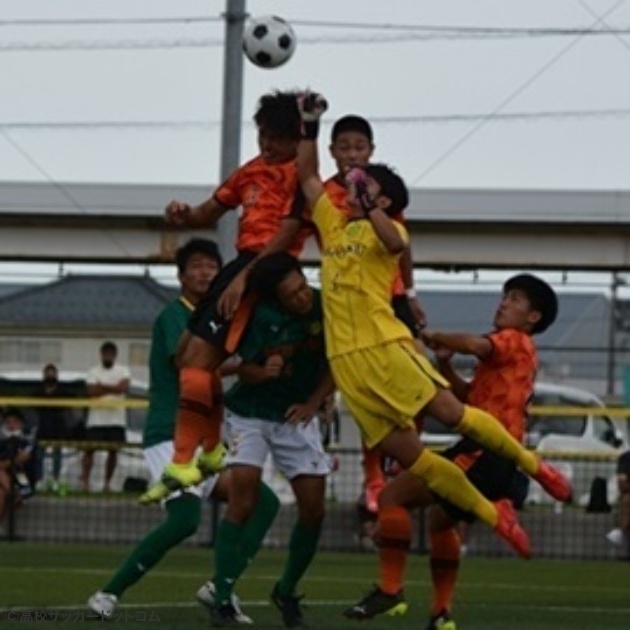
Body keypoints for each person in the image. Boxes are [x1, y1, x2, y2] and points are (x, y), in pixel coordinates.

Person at [295, 91, 570, 583]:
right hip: (349, 365)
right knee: (416, 464)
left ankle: (536, 467)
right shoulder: (335, 227)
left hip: (383, 347)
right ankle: (494, 518)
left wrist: (370, 203)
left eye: (369, 181)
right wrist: (310, 125)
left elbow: (395, 242)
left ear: (382, 199)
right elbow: (310, 179)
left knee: (448, 413)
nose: (356, 181)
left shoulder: (388, 231)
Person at [348, 273, 558, 628]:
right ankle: (441, 614)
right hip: (495, 454)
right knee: (440, 521)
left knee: (392, 499)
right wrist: (443, 362)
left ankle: (390, 588)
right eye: (505, 295)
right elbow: (466, 399)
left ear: (532, 317)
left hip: (483, 451)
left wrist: (436, 337)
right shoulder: (511, 358)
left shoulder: (514, 340)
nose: (504, 302)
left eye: (516, 299)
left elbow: (477, 346)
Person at [88, 239, 280, 624]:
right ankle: (107, 593)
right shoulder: (177, 315)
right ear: (180, 275)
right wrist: (245, 366)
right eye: (196, 266)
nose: (205, 272)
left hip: (206, 437)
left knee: (264, 502)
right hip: (170, 433)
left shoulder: (218, 316)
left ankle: (220, 590)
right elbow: (190, 364)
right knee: (185, 521)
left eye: (212, 265)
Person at [143, 90, 312, 502]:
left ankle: (193, 455)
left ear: (295, 139)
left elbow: (289, 232)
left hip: (267, 268)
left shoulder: (302, 177)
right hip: (241, 264)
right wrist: (184, 215)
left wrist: (246, 279)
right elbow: (208, 213)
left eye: (276, 138)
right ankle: (212, 446)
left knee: (200, 362)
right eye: (262, 136)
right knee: (187, 356)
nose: (266, 145)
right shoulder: (250, 171)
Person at [210, 252, 333, 627]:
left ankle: (286, 590)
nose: (301, 297)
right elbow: (243, 371)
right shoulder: (261, 316)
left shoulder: (326, 306)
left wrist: (314, 402)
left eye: (301, 286)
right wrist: (263, 372)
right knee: (243, 498)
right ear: (276, 299)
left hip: (295, 416)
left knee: (313, 510)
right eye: (291, 295)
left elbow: (339, 363)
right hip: (249, 415)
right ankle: (223, 596)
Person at [325, 114, 427, 515]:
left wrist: (412, 292)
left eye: (359, 147)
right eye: (344, 147)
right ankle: (373, 476)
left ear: (371, 151)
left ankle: (407, 461)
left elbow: (401, 242)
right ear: (331, 153)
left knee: (420, 379)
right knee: (365, 398)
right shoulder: (327, 196)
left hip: (391, 301)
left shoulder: (380, 191)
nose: (352, 154)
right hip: (349, 303)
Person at [80, 341, 130, 492]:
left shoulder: (123, 370)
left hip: (116, 420)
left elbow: (123, 388)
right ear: (101, 355)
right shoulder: (93, 371)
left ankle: (107, 483)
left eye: (110, 354)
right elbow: (91, 391)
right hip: (96, 420)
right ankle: (85, 483)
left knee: (113, 452)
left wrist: (102, 386)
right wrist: (113, 388)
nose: (107, 356)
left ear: (115, 355)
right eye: (105, 354)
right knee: (89, 451)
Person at [33, 363, 72, 494]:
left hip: (57, 428)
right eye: (47, 373)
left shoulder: (62, 392)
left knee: (57, 456)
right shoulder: (38, 392)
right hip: (43, 426)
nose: (50, 376)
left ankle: (55, 480)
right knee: (39, 455)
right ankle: (39, 480)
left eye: (52, 373)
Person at [0, 407, 35, 532]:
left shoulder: (26, 438)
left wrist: (6, 463)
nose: (11, 425)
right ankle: (11, 491)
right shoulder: (2, 437)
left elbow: (23, 457)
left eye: (14, 422)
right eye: (8, 422)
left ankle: (14, 491)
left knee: (4, 493)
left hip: (20, 474)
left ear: (21, 423)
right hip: (4, 474)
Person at [606, 449, 630, 547]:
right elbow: (622, 485)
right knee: (627, 498)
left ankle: (621, 532)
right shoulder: (626, 458)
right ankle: (621, 531)